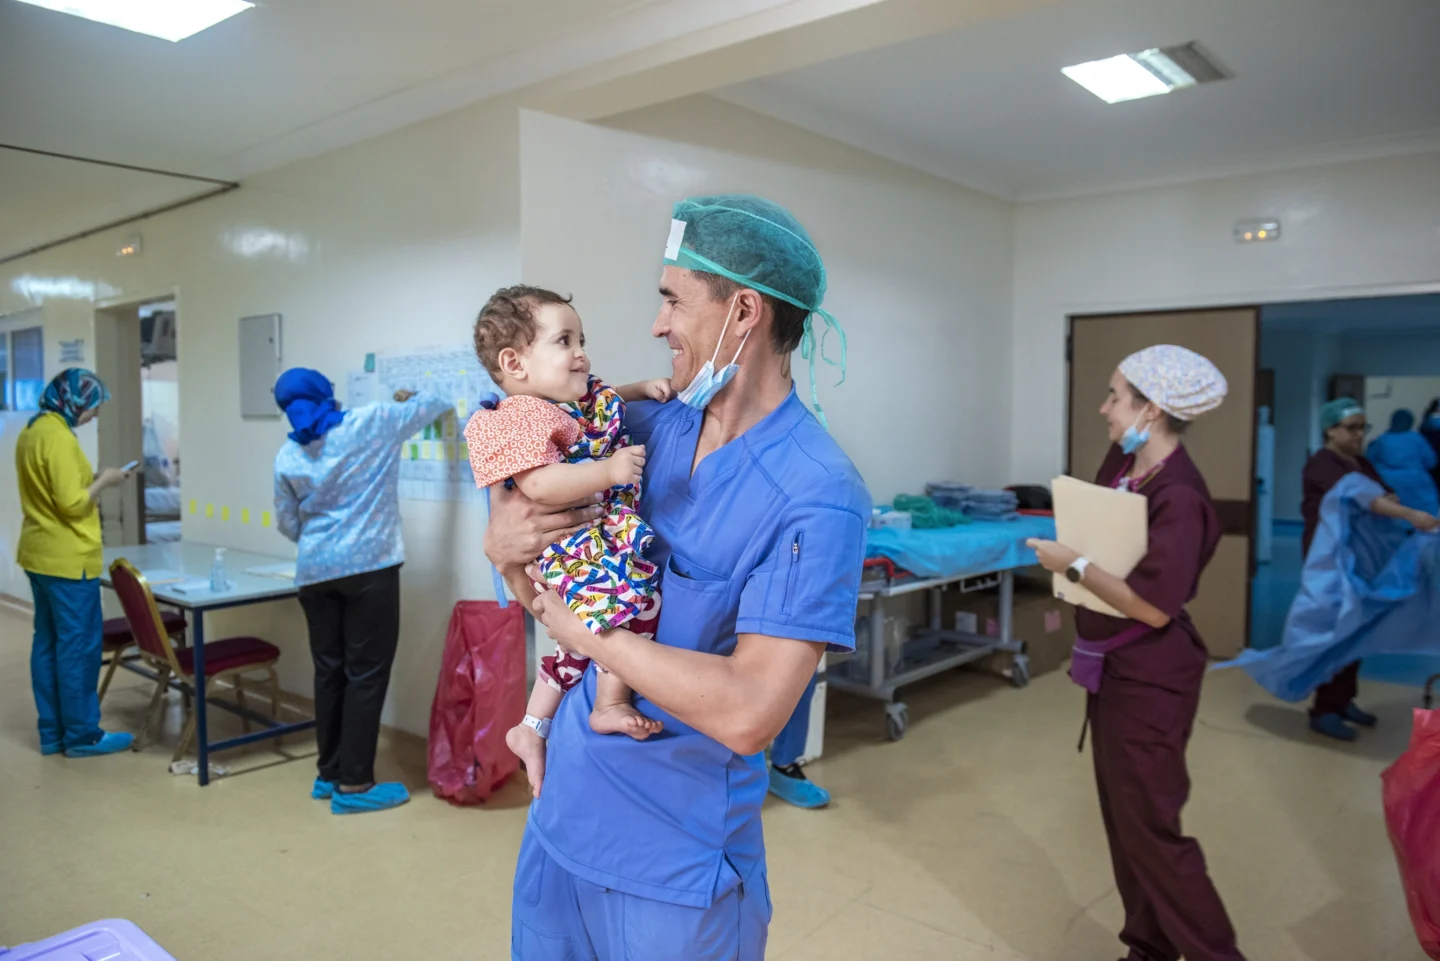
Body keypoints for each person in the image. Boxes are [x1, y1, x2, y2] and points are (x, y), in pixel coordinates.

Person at [484, 194, 868, 959]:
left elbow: (751, 710)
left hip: (673, 872)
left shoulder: (817, 492)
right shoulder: (646, 428)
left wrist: (588, 633)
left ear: (745, 312)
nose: (656, 325)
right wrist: (499, 542)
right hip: (559, 827)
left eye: (672, 300)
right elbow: (528, 546)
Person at [1027, 345, 1247, 961]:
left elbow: (1152, 607)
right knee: (1125, 826)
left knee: (1151, 832)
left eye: (1116, 397)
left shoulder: (1182, 497)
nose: (1104, 409)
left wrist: (1070, 563)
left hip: (1150, 680)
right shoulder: (1126, 466)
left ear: (1151, 409)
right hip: (1113, 673)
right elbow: (1102, 531)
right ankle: (1149, 947)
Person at [461, 285, 674, 798]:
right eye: (564, 341)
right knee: (630, 605)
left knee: (575, 641)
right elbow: (539, 485)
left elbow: (603, 405)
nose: (581, 352)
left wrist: (641, 389)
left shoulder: (563, 405)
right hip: (568, 547)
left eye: (581, 338)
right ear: (514, 363)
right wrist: (608, 470)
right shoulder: (516, 418)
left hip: (588, 540)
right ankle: (609, 704)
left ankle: (531, 728)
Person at [272, 367, 451, 814]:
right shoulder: (371, 422)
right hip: (370, 568)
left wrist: (322, 542)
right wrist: (409, 394)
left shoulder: (287, 456)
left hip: (314, 572)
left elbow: (286, 522)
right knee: (366, 674)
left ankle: (328, 772)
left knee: (329, 671)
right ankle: (354, 785)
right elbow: (435, 403)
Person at [1298, 398, 1440, 741]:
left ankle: (1344, 699)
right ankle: (1324, 709)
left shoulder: (1358, 461)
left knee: (1357, 631)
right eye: (1351, 428)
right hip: (1331, 561)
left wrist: (1388, 505)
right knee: (1339, 633)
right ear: (1331, 430)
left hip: (1360, 558)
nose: (1359, 434)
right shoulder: (1323, 463)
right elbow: (1368, 499)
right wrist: (1408, 514)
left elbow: (1383, 494)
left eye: (1363, 427)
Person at [16, 368, 135, 758]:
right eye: (93, 408)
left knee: (48, 643)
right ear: (74, 400)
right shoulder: (60, 438)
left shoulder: (34, 430)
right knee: (79, 647)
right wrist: (106, 480)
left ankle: (52, 732)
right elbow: (71, 504)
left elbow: (56, 493)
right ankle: (83, 736)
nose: (94, 416)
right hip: (68, 560)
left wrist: (94, 479)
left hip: (38, 554)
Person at [1367, 408, 1439, 516]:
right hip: (1417, 482)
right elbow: (1431, 461)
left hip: (1388, 482)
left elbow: (1369, 461)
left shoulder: (1382, 440)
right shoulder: (1416, 438)